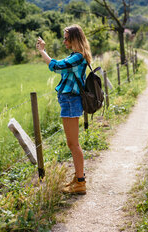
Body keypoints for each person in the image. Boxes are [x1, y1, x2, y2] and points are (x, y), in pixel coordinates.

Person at [36, 24, 92, 195]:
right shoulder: (75, 56)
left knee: (73, 144)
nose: (64, 41)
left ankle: (80, 182)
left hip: (70, 101)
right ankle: (78, 178)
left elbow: (56, 66)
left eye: (66, 38)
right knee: (72, 143)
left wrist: (42, 51)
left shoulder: (77, 57)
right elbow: (63, 70)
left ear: (75, 38)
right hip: (68, 101)